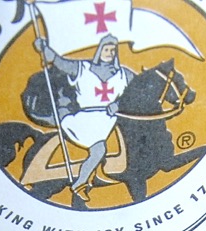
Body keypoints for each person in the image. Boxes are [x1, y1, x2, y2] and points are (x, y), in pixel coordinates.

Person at [34, 33, 135, 200]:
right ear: (99, 50)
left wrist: (119, 104)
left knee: (100, 149)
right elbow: (60, 62)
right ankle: (80, 183)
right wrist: (44, 49)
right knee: (99, 149)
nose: (109, 53)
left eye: (112, 50)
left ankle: (80, 183)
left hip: (106, 121)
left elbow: (140, 89)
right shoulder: (82, 68)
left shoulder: (125, 75)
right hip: (83, 120)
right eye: (106, 49)